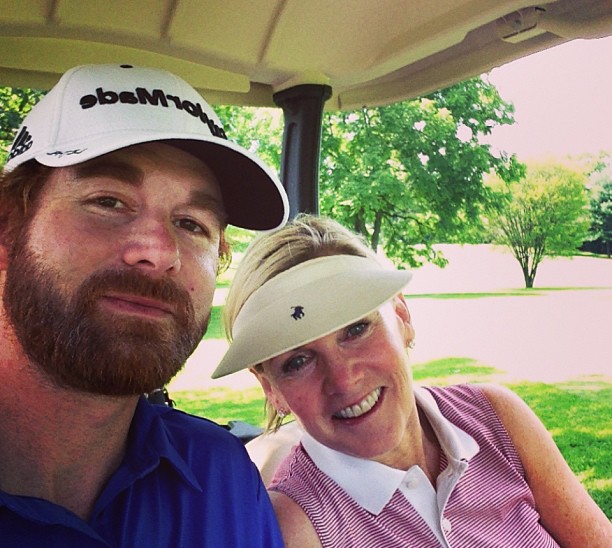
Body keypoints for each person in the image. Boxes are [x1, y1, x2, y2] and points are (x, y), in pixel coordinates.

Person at [0, 63, 288, 546]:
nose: (158, 251)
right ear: (8, 231)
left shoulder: (220, 477)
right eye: (108, 201)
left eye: (192, 223)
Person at [213, 214, 612, 548]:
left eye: (356, 329)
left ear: (402, 318)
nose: (344, 379)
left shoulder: (494, 418)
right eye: (298, 360)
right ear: (271, 389)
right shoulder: (299, 525)